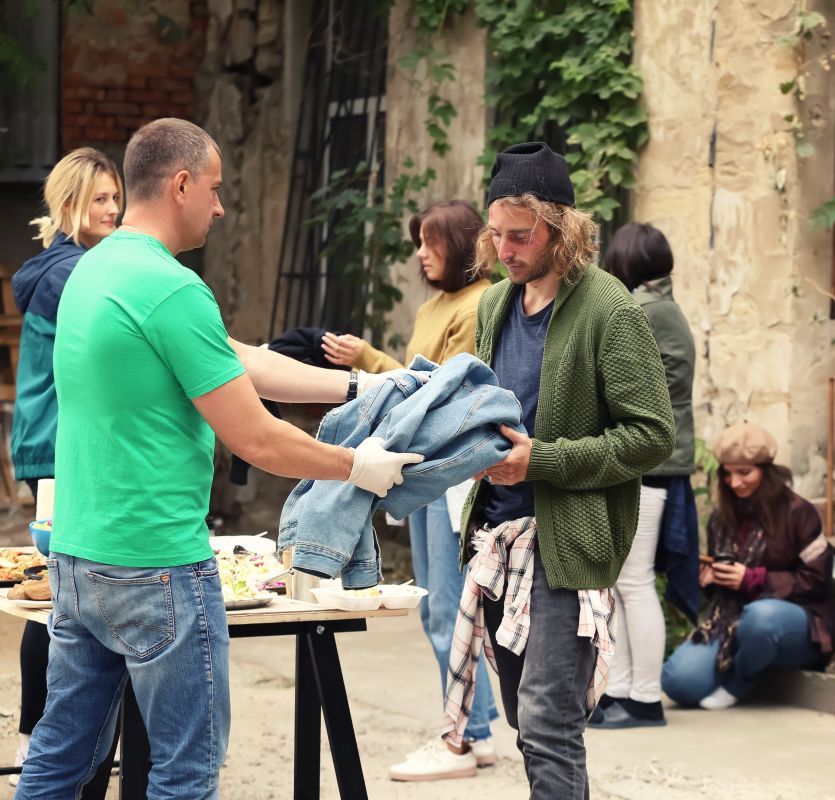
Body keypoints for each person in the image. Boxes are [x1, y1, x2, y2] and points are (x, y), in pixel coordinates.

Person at [15, 118, 428, 800]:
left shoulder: (95, 269)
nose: (221, 206)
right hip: (156, 566)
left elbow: (237, 361)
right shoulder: (172, 288)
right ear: (180, 185)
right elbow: (257, 438)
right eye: (214, 189)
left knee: (59, 761)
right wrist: (356, 466)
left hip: (80, 558)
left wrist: (361, 385)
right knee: (184, 775)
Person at [439, 142, 675, 799]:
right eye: (496, 234)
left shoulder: (610, 309)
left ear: (561, 228)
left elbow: (653, 436)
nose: (506, 250)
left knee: (547, 725)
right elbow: (494, 408)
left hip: (566, 544)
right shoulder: (494, 305)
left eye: (521, 236)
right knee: (527, 719)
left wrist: (540, 460)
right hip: (498, 540)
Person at [322, 200, 503, 781]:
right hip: (421, 466)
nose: (421, 254)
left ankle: (464, 738)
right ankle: (478, 728)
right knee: (437, 607)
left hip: (450, 473)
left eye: (432, 242)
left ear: (463, 245)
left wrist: (367, 361)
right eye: (419, 242)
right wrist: (369, 362)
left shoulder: (480, 303)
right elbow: (416, 382)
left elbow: (443, 393)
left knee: (447, 607)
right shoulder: (434, 306)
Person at [8, 147, 123, 795]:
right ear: (69, 205)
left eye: (116, 198)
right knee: (61, 600)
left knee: (65, 594)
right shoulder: (70, 272)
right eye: (99, 199)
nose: (112, 209)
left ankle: (48, 741)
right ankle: (39, 739)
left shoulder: (66, 264)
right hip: (59, 448)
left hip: (55, 444)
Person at [592, 223, 697, 729]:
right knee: (621, 582)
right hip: (650, 461)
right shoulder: (660, 307)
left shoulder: (646, 311)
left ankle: (645, 699)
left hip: (650, 464)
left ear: (626, 262)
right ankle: (620, 692)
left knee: (632, 581)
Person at [661, 422, 835, 710]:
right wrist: (711, 580)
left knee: (760, 618)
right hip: (731, 620)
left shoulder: (799, 512)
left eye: (745, 472)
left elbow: (818, 579)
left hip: (798, 622)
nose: (735, 483)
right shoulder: (721, 517)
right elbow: (723, 585)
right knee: (677, 681)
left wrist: (752, 579)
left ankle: (737, 684)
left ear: (766, 472)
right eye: (727, 474)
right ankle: (751, 661)